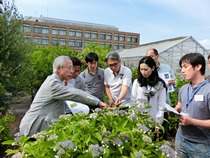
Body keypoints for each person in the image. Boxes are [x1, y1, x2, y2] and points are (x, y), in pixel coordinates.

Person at [19, 56, 107, 136]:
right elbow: (74, 93)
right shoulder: (53, 84)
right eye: (69, 68)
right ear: (58, 69)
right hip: (34, 127)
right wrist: (97, 102)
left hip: (40, 127)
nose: (72, 71)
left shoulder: (58, 81)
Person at [174, 53, 210, 157]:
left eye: (185, 67)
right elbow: (180, 104)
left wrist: (192, 122)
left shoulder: (208, 90)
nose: (182, 71)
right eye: (181, 67)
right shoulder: (184, 88)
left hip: (201, 145)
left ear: (198, 67)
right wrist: (175, 109)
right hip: (181, 138)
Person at [131, 56, 167, 125]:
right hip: (139, 119)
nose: (143, 72)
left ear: (153, 68)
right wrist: (133, 116)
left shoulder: (160, 84)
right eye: (141, 69)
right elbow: (133, 100)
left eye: (146, 69)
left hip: (153, 119)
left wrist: (158, 122)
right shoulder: (137, 82)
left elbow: (161, 104)